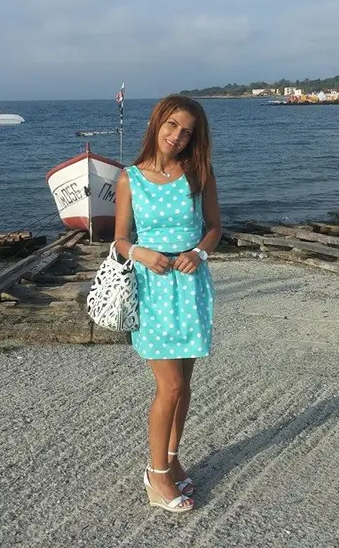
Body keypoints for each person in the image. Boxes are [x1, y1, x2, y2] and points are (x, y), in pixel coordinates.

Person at [114, 94, 222, 513]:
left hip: (191, 286)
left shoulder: (199, 173)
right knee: (170, 385)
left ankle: (173, 460)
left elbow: (215, 227)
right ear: (156, 123)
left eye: (187, 131)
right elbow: (120, 239)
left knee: (185, 384)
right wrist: (140, 253)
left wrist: (199, 253)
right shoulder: (129, 179)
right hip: (153, 289)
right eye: (172, 125)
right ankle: (156, 474)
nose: (177, 136)